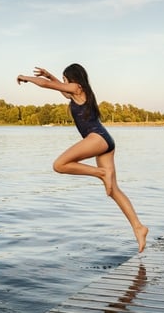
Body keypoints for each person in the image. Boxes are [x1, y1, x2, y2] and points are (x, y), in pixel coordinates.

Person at [17, 63, 149, 252]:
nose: (63, 83)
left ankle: (100, 173)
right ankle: (139, 227)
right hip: (104, 142)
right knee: (113, 190)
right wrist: (49, 75)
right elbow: (58, 87)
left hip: (97, 138)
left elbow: (49, 86)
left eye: (65, 79)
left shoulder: (77, 87)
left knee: (60, 164)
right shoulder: (77, 92)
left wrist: (27, 78)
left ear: (73, 78)